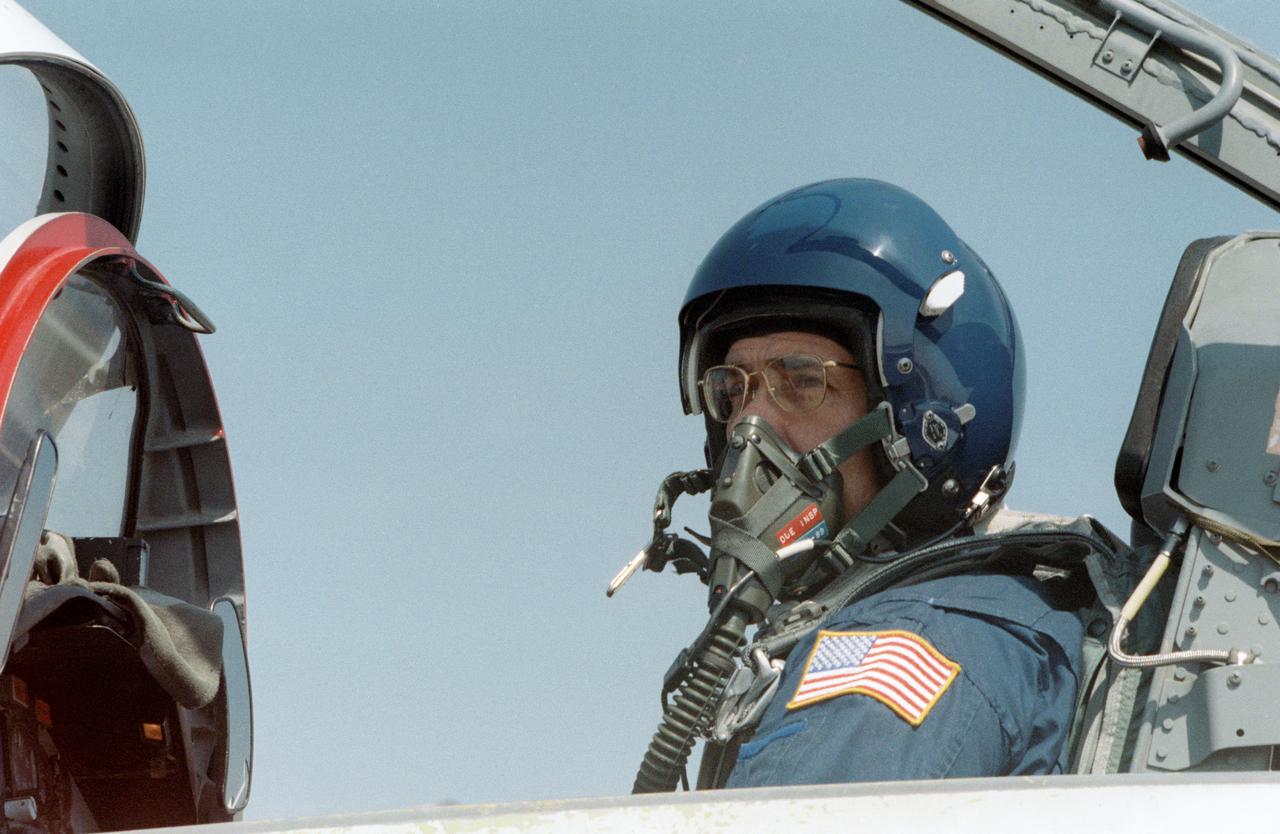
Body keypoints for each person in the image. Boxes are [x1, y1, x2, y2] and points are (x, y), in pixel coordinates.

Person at [675, 178, 1086, 787]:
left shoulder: (891, 658)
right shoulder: (969, 620)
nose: (748, 427)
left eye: (800, 379)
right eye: (733, 390)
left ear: (921, 432)